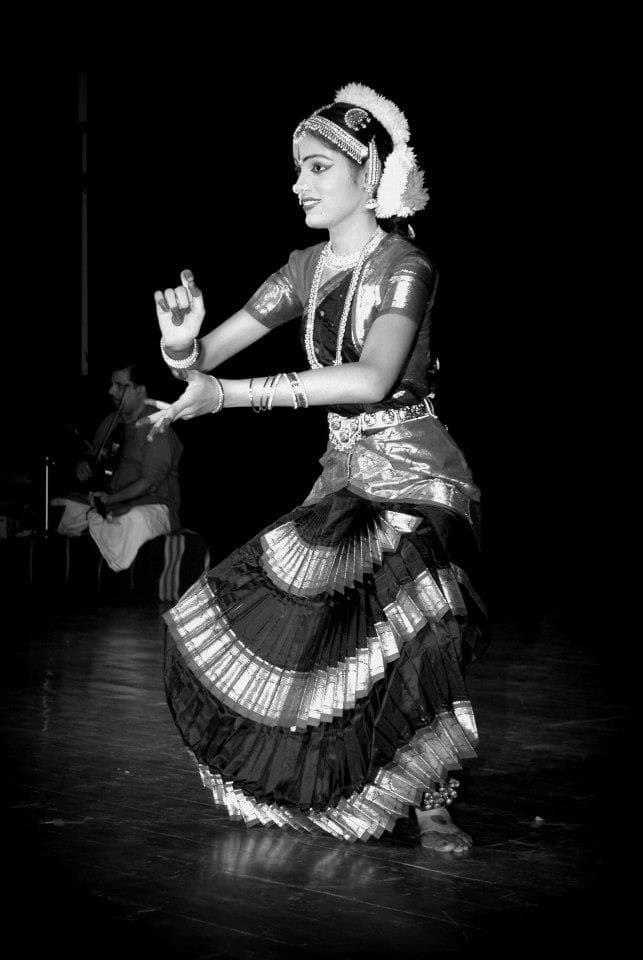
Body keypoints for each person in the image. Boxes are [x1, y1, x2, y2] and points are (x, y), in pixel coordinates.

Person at [146, 84, 485, 853]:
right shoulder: (304, 270)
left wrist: (226, 396)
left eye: (316, 167)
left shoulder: (407, 266)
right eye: (296, 168)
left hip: (416, 474)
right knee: (297, 623)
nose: (299, 184)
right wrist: (179, 345)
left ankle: (431, 795)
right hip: (343, 475)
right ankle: (360, 778)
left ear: (366, 176)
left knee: (414, 622)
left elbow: (370, 379)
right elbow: (203, 361)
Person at [53, 362, 183, 572]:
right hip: (109, 505)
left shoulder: (158, 425)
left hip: (151, 507)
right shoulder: (110, 422)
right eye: (112, 385)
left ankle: (96, 531)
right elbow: (93, 454)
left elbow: (149, 483)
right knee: (60, 506)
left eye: (120, 386)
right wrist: (84, 463)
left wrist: (111, 499)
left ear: (140, 390)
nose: (111, 391)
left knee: (136, 521)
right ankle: (100, 529)